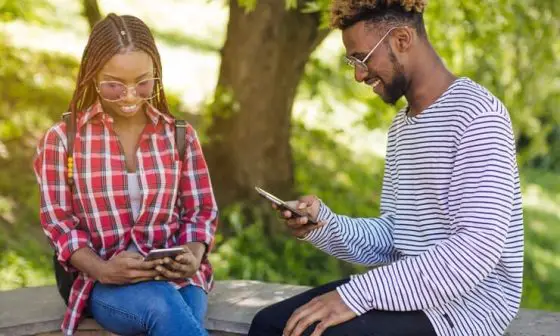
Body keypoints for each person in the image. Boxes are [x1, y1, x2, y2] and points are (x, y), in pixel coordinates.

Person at [248, 1, 523, 336]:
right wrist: (324, 226)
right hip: (411, 291)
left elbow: (475, 250)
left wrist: (357, 295)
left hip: (466, 309)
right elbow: (397, 236)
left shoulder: (478, 118)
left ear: (402, 40)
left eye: (362, 58)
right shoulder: (402, 127)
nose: (359, 74)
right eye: (352, 61)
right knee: (269, 325)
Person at [33, 13, 218, 336]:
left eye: (143, 82)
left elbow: (200, 211)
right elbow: (59, 224)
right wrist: (103, 269)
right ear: (92, 77)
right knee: (164, 308)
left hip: (178, 278)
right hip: (103, 284)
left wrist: (192, 254)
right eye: (114, 85)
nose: (130, 96)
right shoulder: (63, 139)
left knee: (172, 309)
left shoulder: (180, 135)